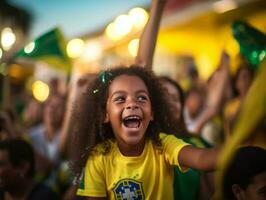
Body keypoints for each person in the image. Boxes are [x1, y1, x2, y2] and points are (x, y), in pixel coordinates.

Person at [72, 66, 220, 199]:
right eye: (120, 99)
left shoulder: (164, 145)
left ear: (152, 113)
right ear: (105, 114)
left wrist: (240, 146)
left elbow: (202, 159)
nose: (132, 104)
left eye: (141, 98)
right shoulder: (98, 158)